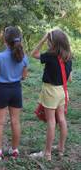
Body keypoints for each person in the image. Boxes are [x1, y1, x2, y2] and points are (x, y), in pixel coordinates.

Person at [30, 29, 72, 161]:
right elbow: (69, 78)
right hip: (62, 91)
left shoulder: (50, 55)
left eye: (49, 40)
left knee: (51, 122)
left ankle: (47, 153)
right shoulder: (68, 56)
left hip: (50, 91)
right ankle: (61, 149)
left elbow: (33, 54)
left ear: (52, 43)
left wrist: (42, 39)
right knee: (61, 119)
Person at [0, 26, 29, 160]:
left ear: (5, 41)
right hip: (16, 90)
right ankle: (14, 150)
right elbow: (24, 77)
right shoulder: (24, 57)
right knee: (15, 122)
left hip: (2, 89)